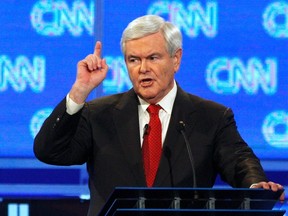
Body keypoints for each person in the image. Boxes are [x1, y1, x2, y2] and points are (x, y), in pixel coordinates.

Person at [34, 15, 284, 216]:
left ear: (176, 59)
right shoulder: (99, 114)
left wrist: (255, 186)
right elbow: (49, 151)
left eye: (153, 57)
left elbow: (240, 161)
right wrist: (79, 91)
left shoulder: (212, 117)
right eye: (133, 60)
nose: (143, 69)